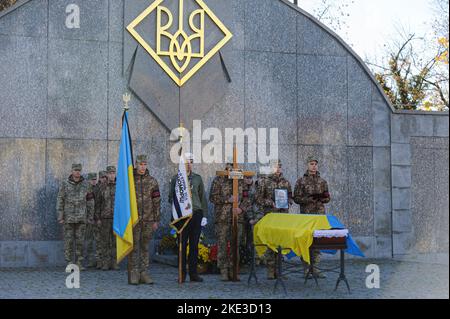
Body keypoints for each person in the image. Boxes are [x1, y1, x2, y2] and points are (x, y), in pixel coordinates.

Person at [169, 153, 208, 282]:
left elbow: (202, 197)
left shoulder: (197, 178)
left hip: (196, 214)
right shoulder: (176, 179)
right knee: (181, 245)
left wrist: (204, 215)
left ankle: (193, 274)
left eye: (191, 161)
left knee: (194, 245)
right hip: (182, 216)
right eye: (186, 161)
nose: (189, 164)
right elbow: (171, 198)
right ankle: (182, 274)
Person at [209, 162, 249, 281]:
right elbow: (213, 197)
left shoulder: (240, 180)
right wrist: (228, 200)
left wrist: (241, 208)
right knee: (222, 244)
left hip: (237, 218)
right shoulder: (219, 180)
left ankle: (234, 269)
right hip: (222, 218)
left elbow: (247, 197)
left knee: (235, 245)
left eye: (233, 168)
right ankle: (224, 270)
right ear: (226, 169)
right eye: (229, 168)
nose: (231, 170)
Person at [293, 155, 331, 278]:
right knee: (306, 241)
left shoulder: (322, 181)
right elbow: (296, 198)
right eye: (311, 164)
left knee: (317, 242)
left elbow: (328, 198)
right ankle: (306, 269)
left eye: (315, 164)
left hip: (319, 215)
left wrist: (322, 198)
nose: (314, 166)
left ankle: (315, 268)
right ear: (307, 165)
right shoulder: (301, 181)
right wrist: (308, 199)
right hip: (307, 215)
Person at [255, 159, 293, 279]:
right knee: (271, 243)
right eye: (275, 167)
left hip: (283, 217)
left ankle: (280, 271)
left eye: (279, 167)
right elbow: (258, 198)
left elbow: (290, 195)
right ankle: (271, 270)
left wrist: (289, 201)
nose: (278, 169)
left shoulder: (286, 182)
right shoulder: (265, 182)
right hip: (271, 216)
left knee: (281, 243)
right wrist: (270, 202)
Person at [128, 155, 161, 285]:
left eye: (145, 164)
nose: (142, 167)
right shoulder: (130, 181)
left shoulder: (152, 181)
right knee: (134, 247)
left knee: (145, 247)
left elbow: (156, 201)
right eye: (140, 164)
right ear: (136, 164)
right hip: (134, 220)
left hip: (148, 219)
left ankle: (144, 272)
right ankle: (134, 272)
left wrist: (156, 220)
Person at [57, 163, 89, 270]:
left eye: (79, 170)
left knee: (80, 241)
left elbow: (90, 201)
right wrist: (60, 216)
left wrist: (89, 216)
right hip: (68, 218)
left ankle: (79, 262)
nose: (77, 172)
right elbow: (60, 199)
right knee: (68, 241)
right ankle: (69, 262)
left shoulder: (86, 184)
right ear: (71, 171)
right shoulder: (65, 184)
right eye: (75, 170)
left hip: (81, 217)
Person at [97, 166, 120, 271]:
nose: (111, 175)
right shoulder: (102, 187)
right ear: (106, 174)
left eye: (113, 173)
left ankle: (114, 262)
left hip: (116, 218)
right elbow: (98, 203)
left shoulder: (120, 186)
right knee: (105, 241)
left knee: (115, 241)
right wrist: (98, 218)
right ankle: (105, 262)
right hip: (105, 218)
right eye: (110, 173)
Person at [84, 172, 97, 268]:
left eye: (95, 179)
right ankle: (90, 260)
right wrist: (89, 218)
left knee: (96, 240)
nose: (94, 181)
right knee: (89, 240)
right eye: (92, 179)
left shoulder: (97, 189)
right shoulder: (86, 189)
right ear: (88, 180)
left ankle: (96, 260)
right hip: (88, 219)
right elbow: (87, 206)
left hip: (96, 218)